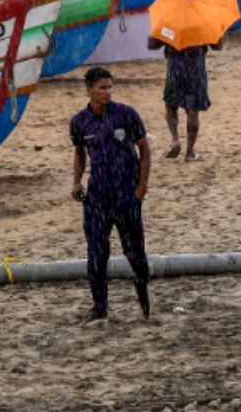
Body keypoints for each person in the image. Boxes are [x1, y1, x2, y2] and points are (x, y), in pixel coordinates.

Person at [69, 66, 152, 326]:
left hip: (126, 195)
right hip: (97, 197)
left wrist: (141, 188)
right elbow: (80, 153)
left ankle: (144, 299)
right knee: (96, 254)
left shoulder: (126, 115)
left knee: (135, 253)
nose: (107, 92)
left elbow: (144, 150)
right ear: (89, 89)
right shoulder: (80, 122)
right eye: (102, 87)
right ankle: (100, 308)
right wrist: (76, 182)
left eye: (109, 87)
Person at [148, 37, 220, 161]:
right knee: (193, 110)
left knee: (170, 104)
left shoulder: (169, 22)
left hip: (175, 66)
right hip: (196, 66)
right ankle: (190, 152)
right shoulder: (203, 22)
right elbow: (218, 46)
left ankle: (175, 139)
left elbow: (152, 45)